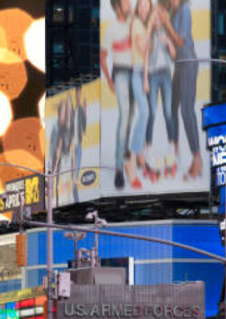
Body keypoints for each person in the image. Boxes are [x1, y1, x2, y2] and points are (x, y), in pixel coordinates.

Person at [159, 0, 201, 181]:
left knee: (186, 110)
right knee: (171, 106)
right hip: (179, 64)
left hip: (189, 63)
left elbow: (181, 41)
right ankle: (175, 150)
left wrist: (167, 24)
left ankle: (197, 158)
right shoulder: (174, 14)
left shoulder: (184, 10)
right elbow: (173, 51)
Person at [100, 0, 134, 189]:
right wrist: (109, 80)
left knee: (134, 114)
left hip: (136, 73)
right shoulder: (112, 29)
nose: (129, 6)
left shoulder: (134, 24)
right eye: (126, 3)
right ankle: (119, 169)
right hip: (120, 72)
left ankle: (127, 148)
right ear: (118, 7)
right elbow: (103, 56)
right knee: (125, 115)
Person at [145, 0, 176, 177]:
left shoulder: (167, 33)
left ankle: (171, 147)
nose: (157, 20)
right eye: (154, 17)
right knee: (151, 112)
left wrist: (168, 43)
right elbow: (146, 55)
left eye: (159, 17)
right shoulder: (148, 34)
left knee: (168, 111)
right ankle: (148, 149)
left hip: (165, 73)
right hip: (152, 74)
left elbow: (173, 54)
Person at [128, 0, 156, 186]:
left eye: (147, 6)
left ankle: (140, 158)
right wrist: (145, 78)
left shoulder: (142, 25)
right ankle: (132, 158)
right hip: (138, 73)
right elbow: (143, 50)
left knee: (147, 114)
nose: (144, 9)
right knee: (144, 113)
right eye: (141, 6)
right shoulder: (138, 24)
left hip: (144, 72)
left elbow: (149, 53)